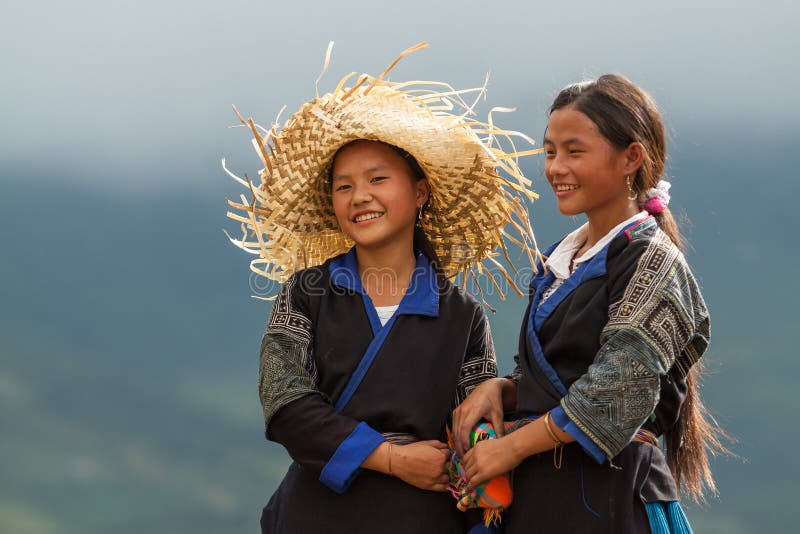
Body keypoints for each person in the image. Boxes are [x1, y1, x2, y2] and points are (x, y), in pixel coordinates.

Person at [224, 43, 538, 533]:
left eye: (377, 179)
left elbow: (476, 432)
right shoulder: (307, 292)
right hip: (317, 516)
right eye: (344, 186)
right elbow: (284, 401)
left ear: (420, 191)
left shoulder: (462, 315)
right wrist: (391, 458)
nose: (360, 196)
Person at [452, 74, 726, 533]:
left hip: (611, 498)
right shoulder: (562, 259)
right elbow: (563, 374)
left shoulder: (653, 261)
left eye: (574, 152)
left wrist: (510, 448)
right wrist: (502, 390)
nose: (556, 167)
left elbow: (614, 393)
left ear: (631, 158)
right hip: (545, 496)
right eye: (550, 152)